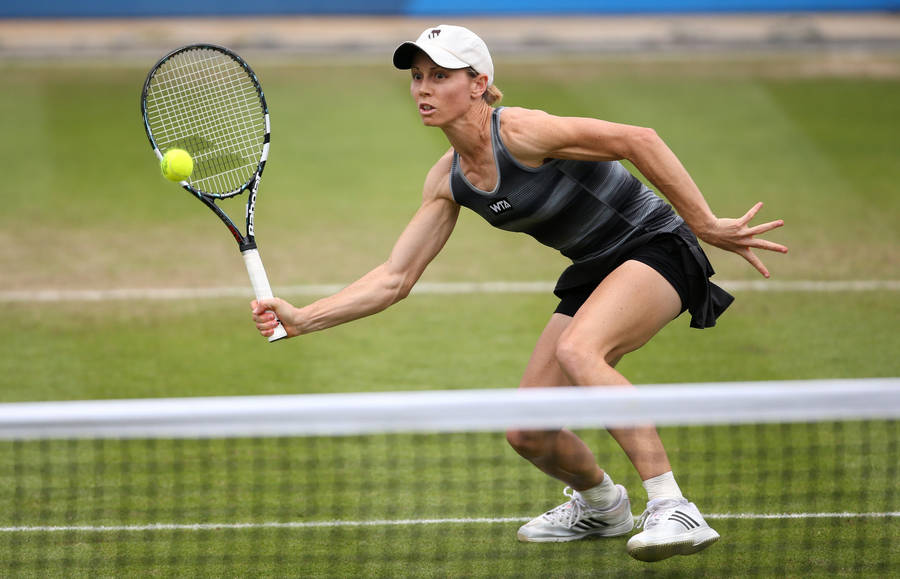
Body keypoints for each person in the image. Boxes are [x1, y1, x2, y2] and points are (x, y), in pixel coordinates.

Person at [251, 24, 787, 562]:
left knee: (579, 350)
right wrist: (304, 318)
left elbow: (638, 139)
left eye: (441, 76)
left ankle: (673, 506)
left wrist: (705, 223)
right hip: (594, 269)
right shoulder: (449, 179)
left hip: (655, 246)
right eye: (417, 78)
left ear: (479, 83)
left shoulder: (523, 132)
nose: (423, 89)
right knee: (528, 432)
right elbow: (396, 277)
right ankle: (602, 505)